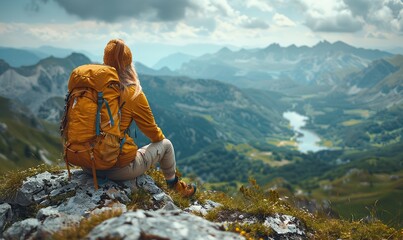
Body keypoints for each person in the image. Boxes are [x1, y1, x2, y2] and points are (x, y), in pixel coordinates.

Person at [86, 39, 196, 197]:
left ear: (105, 61)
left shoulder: (93, 87)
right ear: (129, 63)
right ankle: (176, 189)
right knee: (166, 145)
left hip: (87, 162)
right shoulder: (132, 93)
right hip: (114, 169)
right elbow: (154, 134)